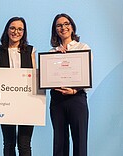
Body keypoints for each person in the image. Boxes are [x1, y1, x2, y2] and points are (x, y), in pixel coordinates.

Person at [0, 17, 36, 156]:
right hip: (5, 104)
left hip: (27, 104)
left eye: (20, 29)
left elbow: (35, 76)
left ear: (24, 32)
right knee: (9, 143)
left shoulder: (31, 51)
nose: (16, 32)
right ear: (7, 30)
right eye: (12, 28)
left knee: (24, 144)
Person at [49, 13, 91, 156]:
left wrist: (74, 91)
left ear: (72, 27)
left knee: (80, 141)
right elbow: (48, 78)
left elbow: (87, 75)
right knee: (59, 143)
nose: (63, 27)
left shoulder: (83, 47)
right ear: (55, 30)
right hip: (57, 100)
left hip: (76, 98)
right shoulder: (52, 52)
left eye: (66, 24)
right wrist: (57, 57)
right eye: (59, 25)